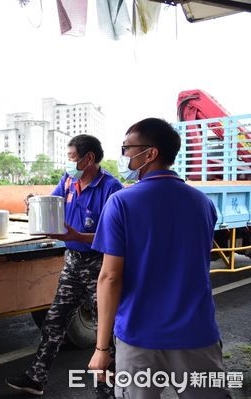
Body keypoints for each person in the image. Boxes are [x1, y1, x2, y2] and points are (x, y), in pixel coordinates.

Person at [88, 118, 231, 399]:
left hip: (140, 337)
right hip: (197, 334)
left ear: (150, 153)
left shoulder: (121, 203)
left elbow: (110, 277)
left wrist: (102, 348)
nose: (124, 156)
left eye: (128, 148)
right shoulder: (202, 203)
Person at [6, 134, 122, 398]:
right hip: (72, 263)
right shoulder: (69, 180)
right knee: (54, 321)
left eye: (71, 157)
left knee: (108, 329)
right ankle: (36, 378)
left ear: (88, 158)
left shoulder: (111, 189)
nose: (68, 163)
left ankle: (108, 388)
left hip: (100, 265)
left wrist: (78, 237)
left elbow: (117, 235)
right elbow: (52, 204)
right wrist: (34, 202)